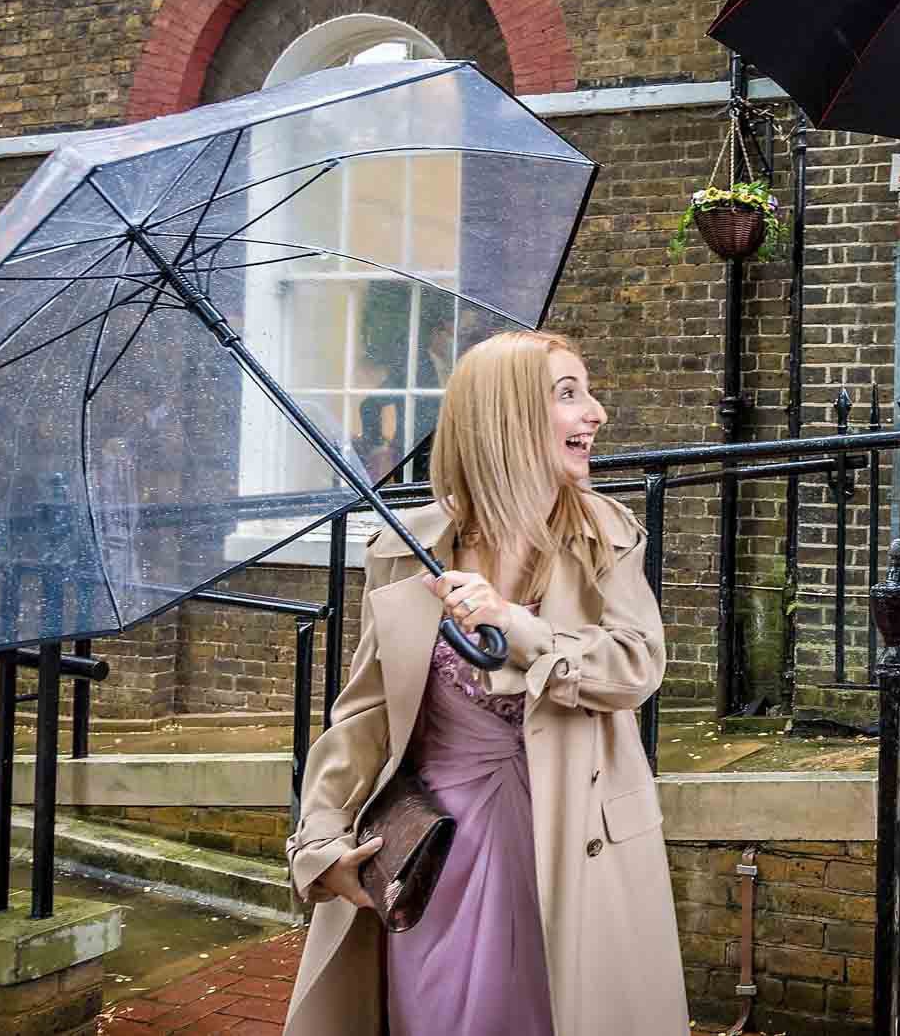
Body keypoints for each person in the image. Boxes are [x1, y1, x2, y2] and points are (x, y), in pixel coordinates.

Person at [282, 330, 689, 1036]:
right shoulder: (406, 552)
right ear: (506, 417)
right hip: (440, 865)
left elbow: (636, 664)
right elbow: (361, 724)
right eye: (569, 394)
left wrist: (517, 626)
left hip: (571, 854)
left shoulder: (606, 536)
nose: (596, 413)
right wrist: (318, 846)